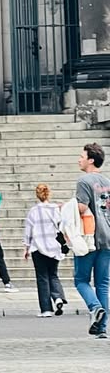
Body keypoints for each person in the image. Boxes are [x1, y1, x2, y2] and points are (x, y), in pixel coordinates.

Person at [73, 141, 110, 339]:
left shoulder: (84, 181)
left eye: (82, 156)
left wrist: (65, 207)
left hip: (89, 237)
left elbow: (81, 208)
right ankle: (101, 328)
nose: (79, 159)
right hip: (107, 237)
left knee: (81, 280)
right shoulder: (107, 182)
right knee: (103, 284)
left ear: (91, 160)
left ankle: (95, 308)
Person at [23, 184, 67, 317]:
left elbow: (28, 231)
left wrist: (26, 247)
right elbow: (62, 226)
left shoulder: (33, 211)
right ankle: (58, 297)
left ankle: (46, 309)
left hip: (38, 246)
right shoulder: (56, 209)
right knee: (53, 274)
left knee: (42, 277)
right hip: (54, 246)